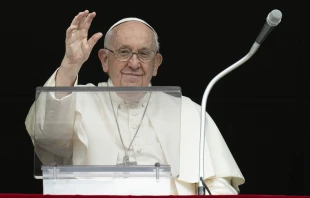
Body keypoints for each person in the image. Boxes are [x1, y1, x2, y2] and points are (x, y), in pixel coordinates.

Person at [25, 10, 245, 195]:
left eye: (144, 53)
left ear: (156, 63)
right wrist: (70, 65)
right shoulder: (78, 100)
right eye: (123, 52)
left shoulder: (187, 111)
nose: (134, 63)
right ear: (104, 60)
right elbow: (48, 140)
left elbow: (217, 185)